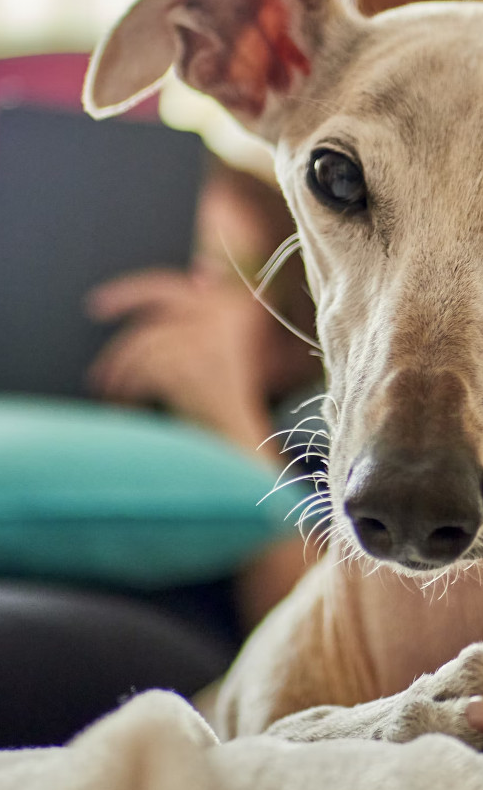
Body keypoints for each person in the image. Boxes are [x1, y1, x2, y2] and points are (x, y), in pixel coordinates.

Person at [86, 161, 325, 629]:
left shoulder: (317, 438)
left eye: (207, 271)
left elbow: (333, 644)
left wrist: (232, 425)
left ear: (284, 324)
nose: (165, 295)